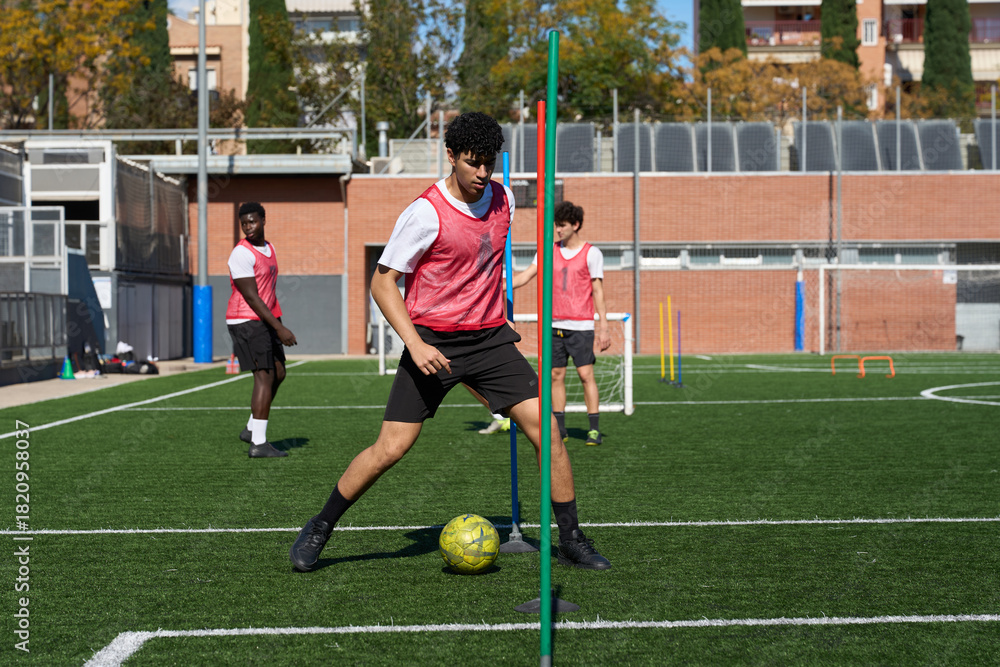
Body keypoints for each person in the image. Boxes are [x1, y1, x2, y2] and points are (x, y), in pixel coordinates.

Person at [290, 112, 610, 572]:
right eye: (472, 162)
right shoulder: (425, 213)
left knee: (550, 432)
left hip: (490, 340)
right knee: (391, 448)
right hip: (433, 343)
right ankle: (320, 525)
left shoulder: (503, 199)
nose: (482, 172)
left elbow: (488, 263)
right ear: (451, 156)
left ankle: (572, 539)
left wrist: (499, 309)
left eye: (489, 163)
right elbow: (382, 283)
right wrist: (415, 344)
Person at [511, 201, 611, 445]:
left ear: (575, 225)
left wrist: (604, 326)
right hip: (553, 325)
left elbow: (598, 291)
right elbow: (525, 276)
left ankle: (594, 429)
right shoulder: (547, 251)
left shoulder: (592, 253)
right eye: (556, 225)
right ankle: (561, 429)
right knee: (555, 375)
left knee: (586, 375)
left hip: (581, 325)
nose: (558, 229)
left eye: (562, 225)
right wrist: (499, 286)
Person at [227, 201, 297, 458]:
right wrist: (279, 328)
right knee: (264, 376)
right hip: (245, 321)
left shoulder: (270, 248)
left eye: (252, 221)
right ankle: (258, 443)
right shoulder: (240, 254)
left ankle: (251, 428)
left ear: (263, 220)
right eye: (244, 223)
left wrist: (276, 321)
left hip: (266, 319)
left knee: (278, 373)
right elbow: (252, 297)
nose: (248, 227)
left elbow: (268, 292)